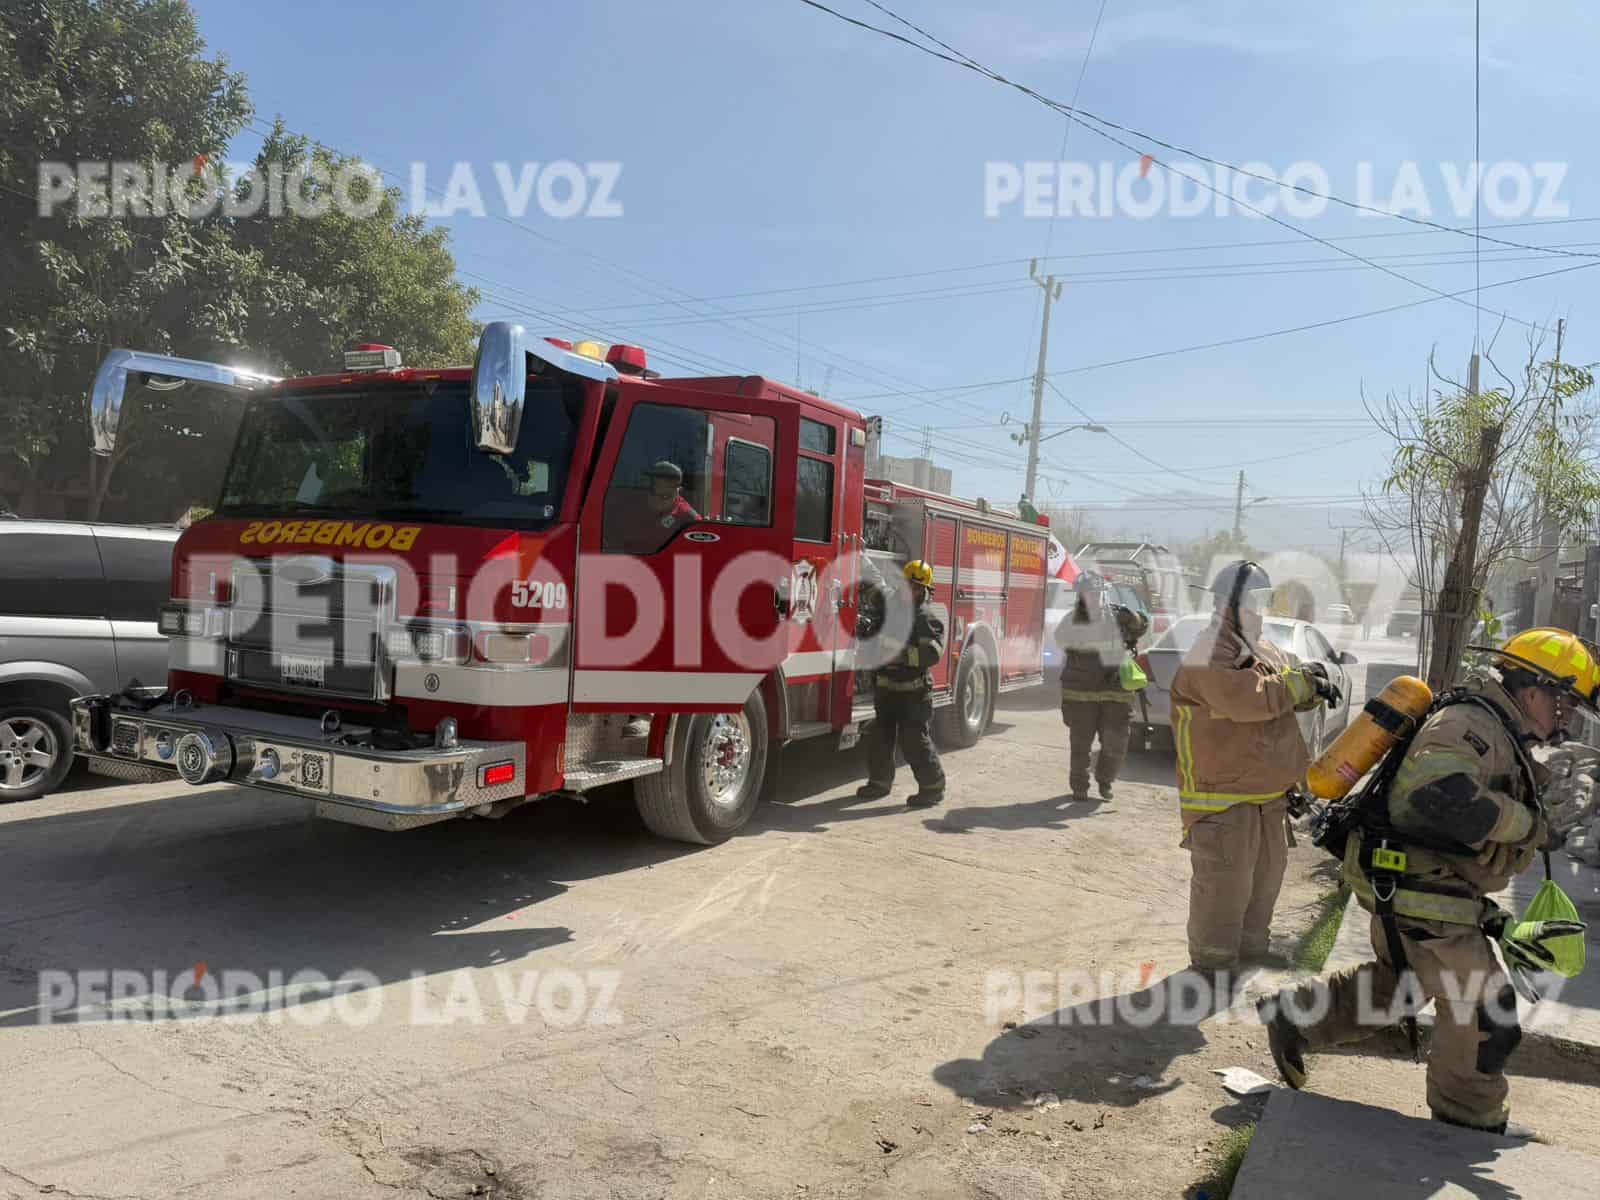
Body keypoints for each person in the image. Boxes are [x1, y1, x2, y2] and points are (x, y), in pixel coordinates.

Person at [1260, 628, 1600, 1135]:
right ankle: (1466, 1127)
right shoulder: (1470, 724)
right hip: (1418, 890)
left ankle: (1296, 1016)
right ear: (1533, 690)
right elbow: (1438, 795)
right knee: (1486, 1016)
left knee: (1402, 985)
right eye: (1564, 700)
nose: (1566, 715)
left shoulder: (1495, 729)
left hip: (1425, 888)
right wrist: (1529, 825)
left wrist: (1543, 804)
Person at [1170, 560, 1342, 974]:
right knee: (1224, 887)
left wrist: (1311, 681)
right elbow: (1248, 700)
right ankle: (1212, 964)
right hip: (1223, 798)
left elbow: (1282, 686)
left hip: (1268, 796)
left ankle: (1250, 950)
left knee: (1264, 881)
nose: (1261, 610)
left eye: (1265, 601)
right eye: (1254, 601)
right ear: (1229, 605)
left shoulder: (1260, 647)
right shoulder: (1208, 651)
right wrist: (1298, 685)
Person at [856, 559, 946, 807]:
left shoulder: (925, 618)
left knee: (914, 741)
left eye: (916, 587)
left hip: (913, 693)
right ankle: (879, 783)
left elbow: (933, 653)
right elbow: (873, 587)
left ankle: (932, 787)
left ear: (924, 590)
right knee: (879, 738)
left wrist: (902, 656)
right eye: (908, 584)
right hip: (886, 688)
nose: (910, 590)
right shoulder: (890, 604)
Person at [1056, 571, 1149, 802]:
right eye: (1087, 593)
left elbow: (1141, 627)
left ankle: (1105, 781)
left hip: (1115, 693)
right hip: (1081, 694)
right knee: (1080, 745)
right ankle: (1079, 787)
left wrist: (1135, 618)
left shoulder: (1118, 616)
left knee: (1115, 744)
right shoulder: (1070, 621)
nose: (1092, 597)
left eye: (1096, 593)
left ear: (1102, 594)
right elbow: (1061, 641)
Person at [611, 460, 701, 553]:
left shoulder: (689, 519)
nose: (658, 500)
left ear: (677, 492)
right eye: (653, 492)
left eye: (666, 496)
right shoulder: (630, 510)